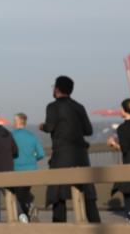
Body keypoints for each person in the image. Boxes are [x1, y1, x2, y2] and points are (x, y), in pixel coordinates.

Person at [39, 76, 101, 223]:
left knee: (58, 194)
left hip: (62, 156)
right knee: (87, 194)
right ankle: (96, 226)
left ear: (57, 89)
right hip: (81, 156)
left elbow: (50, 127)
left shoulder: (52, 107)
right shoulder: (79, 107)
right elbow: (88, 130)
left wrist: (42, 126)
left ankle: (60, 231)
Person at [10, 113, 45, 222]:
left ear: (17, 122)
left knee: (16, 196)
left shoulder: (11, 136)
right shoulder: (32, 136)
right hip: (31, 170)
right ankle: (30, 207)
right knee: (24, 193)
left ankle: (24, 215)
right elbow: (41, 154)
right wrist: (32, 159)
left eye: (14, 120)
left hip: (16, 170)